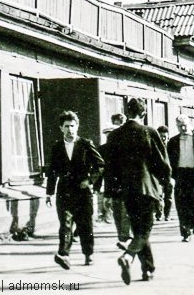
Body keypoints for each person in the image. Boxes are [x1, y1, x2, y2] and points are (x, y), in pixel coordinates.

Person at [107, 97, 171, 284]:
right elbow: (162, 162)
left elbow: (110, 167)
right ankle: (128, 257)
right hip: (147, 189)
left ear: (127, 113)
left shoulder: (115, 135)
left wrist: (111, 193)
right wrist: (165, 183)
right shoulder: (149, 132)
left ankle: (148, 269)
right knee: (145, 232)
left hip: (127, 192)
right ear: (143, 113)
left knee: (139, 231)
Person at [46, 111, 105, 270]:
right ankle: (64, 254)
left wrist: (90, 180)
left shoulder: (86, 144)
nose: (70, 129)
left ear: (77, 127)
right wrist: (49, 193)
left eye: (72, 126)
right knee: (65, 224)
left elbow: (100, 165)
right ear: (61, 128)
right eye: (66, 126)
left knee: (85, 224)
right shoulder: (57, 147)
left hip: (82, 191)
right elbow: (52, 171)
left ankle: (88, 253)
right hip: (64, 191)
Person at [166, 115, 194, 242]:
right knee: (181, 204)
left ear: (190, 124)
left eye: (185, 125)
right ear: (177, 127)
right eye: (180, 126)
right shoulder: (173, 141)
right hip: (180, 175)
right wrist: (170, 177)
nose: (183, 128)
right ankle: (186, 232)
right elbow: (168, 161)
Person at [100, 114, 132, 245]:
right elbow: (102, 171)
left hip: (126, 185)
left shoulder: (126, 149)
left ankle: (125, 237)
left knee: (125, 212)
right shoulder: (103, 150)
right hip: (112, 185)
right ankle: (122, 236)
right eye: (108, 135)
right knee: (117, 212)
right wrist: (101, 189)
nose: (110, 137)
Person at [156, 125, 173, 221]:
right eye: (161, 136)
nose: (163, 139)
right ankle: (158, 214)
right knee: (158, 195)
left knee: (168, 196)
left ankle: (167, 215)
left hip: (168, 175)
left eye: (164, 136)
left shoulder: (170, 147)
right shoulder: (155, 147)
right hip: (157, 175)